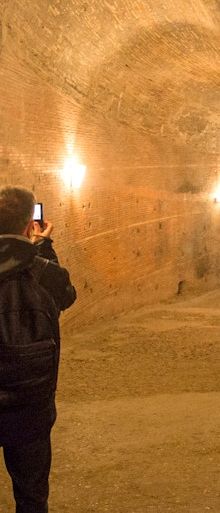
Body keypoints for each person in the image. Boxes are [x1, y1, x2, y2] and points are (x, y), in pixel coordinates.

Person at [0, 186, 76, 512]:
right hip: (30, 410)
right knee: (31, 498)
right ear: (31, 223)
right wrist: (43, 245)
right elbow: (65, 296)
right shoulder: (45, 273)